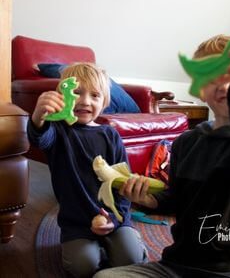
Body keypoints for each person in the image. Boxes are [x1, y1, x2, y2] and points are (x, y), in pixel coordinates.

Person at [93, 30, 230, 278]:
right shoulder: (186, 142)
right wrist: (150, 200)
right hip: (176, 265)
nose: (224, 84)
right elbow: (177, 198)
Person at [27, 63, 147, 278]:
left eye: (94, 95)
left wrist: (113, 217)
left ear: (104, 103)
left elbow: (123, 183)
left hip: (114, 218)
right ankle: (97, 251)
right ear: (62, 96)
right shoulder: (57, 131)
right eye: (76, 93)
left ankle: (120, 244)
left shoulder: (110, 136)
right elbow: (39, 138)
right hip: (77, 223)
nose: (84, 101)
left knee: (131, 258)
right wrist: (38, 116)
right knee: (84, 266)